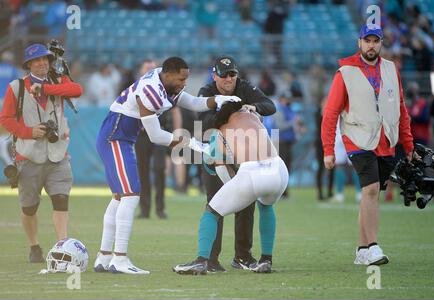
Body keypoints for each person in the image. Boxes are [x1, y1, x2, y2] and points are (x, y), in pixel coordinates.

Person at [93, 56, 241, 274]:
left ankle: (104, 257)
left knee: (119, 197)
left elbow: (191, 102)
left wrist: (216, 100)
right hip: (115, 138)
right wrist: (193, 143)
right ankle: (120, 258)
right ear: (169, 75)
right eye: (181, 79)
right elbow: (155, 135)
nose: (184, 83)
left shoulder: (166, 80)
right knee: (131, 195)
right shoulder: (151, 90)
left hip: (121, 138)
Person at [321, 24, 414, 266]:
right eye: (367, 40)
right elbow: (330, 113)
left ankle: (362, 250)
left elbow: (401, 108)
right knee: (371, 190)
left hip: (386, 141)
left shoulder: (391, 69)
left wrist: (408, 143)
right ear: (359, 43)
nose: (371, 45)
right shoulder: (346, 72)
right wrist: (328, 150)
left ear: (381, 43)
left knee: (369, 194)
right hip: (357, 139)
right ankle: (373, 247)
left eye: (375, 41)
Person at [173, 101, 289, 275]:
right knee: (266, 207)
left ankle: (201, 261)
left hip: (252, 172)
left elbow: (219, 166)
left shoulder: (219, 132)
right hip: (279, 169)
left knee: (211, 211)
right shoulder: (254, 117)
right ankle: (266, 260)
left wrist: (234, 190)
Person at [0, 43, 83, 263]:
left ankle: (62, 247)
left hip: (58, 154)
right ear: (28, 65)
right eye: (37, 61)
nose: (42, 64)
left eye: (45, 59)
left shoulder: (58, 80)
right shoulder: (15, 87)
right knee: (29, 208)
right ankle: (34, 245)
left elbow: (77, 90)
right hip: (28, 155)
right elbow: (5, 120)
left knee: (61, 199)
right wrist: (29, 132)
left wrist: (46, 88)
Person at [197, 56, 276, 272]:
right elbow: (204, 124)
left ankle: (242, 256)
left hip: (242, 155)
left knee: (246, 202)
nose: (228, 79)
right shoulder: (206, 92)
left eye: (232, 74)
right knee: (215, 203)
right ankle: (211, 259)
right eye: (223, 75)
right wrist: (229, 110)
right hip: (215, 155)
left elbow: (270, 106)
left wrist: (253, 106)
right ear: (215, 76)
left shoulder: (244, 87)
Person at [133, 59, 177, 219]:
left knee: (159, 170)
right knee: (142, 172)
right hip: (142, 135)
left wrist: (177, 130)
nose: (151, 70)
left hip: (160, 133)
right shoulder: (136, 89)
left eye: (153, 68)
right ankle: (144, 209)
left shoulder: (165, 88)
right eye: (147, 68)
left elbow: (174, 110)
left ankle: (160, 208)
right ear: (141, 71)